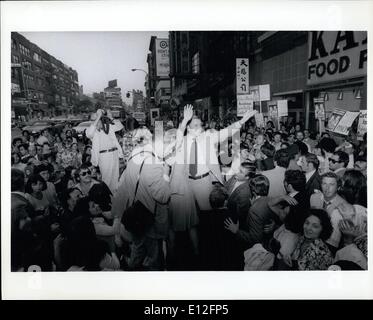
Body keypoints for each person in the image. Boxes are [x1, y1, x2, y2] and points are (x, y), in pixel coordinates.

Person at [111, 127, 172, 270]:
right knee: (154, 259)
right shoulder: (153, 164)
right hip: (151, 222)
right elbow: (163, 196)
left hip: (136, 218)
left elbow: (122, 190)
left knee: (137, 254)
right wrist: (166, 174)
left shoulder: (132, 160)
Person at [177, 105, 257, 211]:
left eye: (200, 125)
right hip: (186, 182)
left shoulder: (207, 137)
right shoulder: (183, 141)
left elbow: (225, 132)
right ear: (188, 128)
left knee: (207, 212)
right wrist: (185, 120)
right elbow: (178, 138)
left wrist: (241, 121)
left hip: (204, 181)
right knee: (191, 215)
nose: (199, 128)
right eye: (195, 125)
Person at [224, 174, 276, 250]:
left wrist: (236, 231)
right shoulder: (272, 200)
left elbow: (255, 239)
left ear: (254, 192)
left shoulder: (253, 211)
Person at [86, 108, 124, 194]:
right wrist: (98, 116)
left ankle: (114, 199)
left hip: (114, 154)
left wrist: (111, 117)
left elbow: (120, 126)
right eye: (94, 119)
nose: (98, 120)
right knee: (107, 180)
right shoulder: (90, 130)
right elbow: (89, 134)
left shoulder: (108, 127)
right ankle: (106, 198)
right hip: (104, 156)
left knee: (115, 179)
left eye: (99, 118)